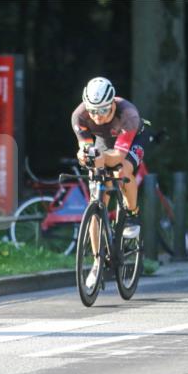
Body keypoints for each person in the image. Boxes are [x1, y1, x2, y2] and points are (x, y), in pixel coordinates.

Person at [71, 77, 144, 283]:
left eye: (103, 110)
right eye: (92, 111)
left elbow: (118, 157)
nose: (97, 116)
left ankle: (132, 214)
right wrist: (84, 155)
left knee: (122, 171)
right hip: (104, 143)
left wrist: (102, 159)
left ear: (113, 104)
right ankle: (97, 262)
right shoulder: (79, 116)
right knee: (97, 198)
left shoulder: (128, 115)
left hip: (131, 141)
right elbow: (86, 146)